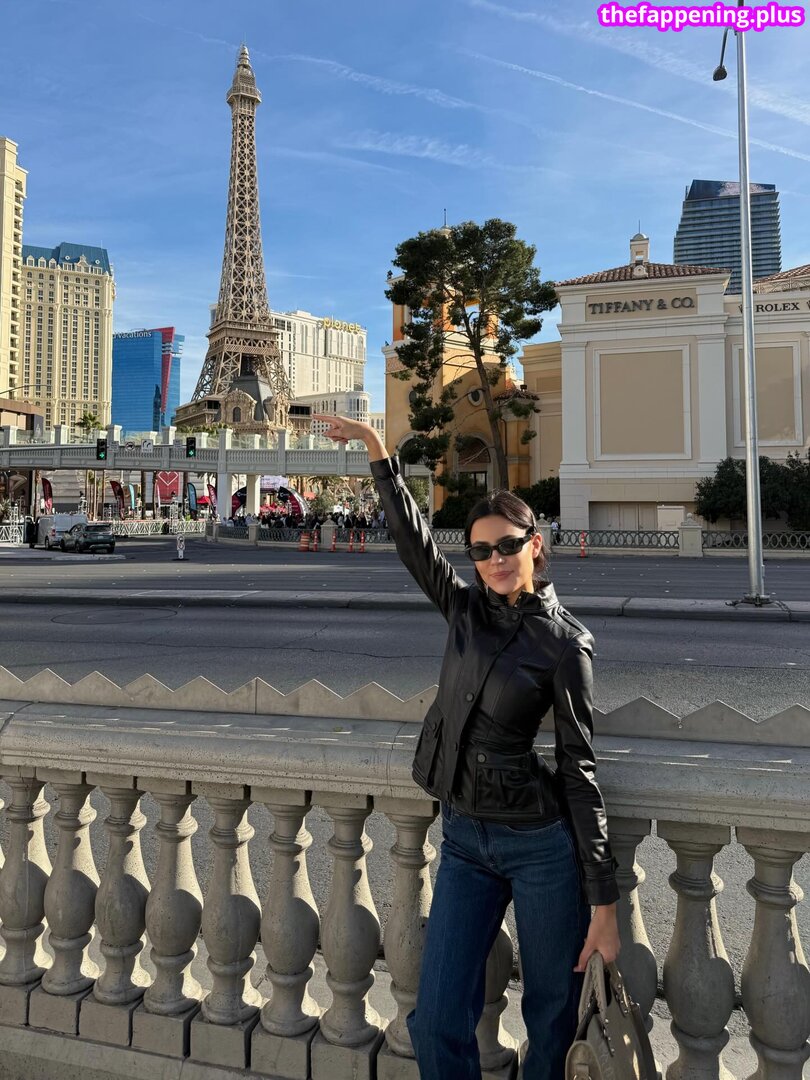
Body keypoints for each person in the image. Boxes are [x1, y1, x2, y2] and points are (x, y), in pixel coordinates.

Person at [314, 413, 619, 1080]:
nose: (495, 561)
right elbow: (413, 542)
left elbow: (580, 771)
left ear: (535, 545)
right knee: (435, 1019)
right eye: (481, 551)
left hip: (540, 847)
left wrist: (604, 902)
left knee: (551, 1019)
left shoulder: (566, 644)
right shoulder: (465, 611)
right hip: (464, 838)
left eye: (508, 545)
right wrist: (377, 450)